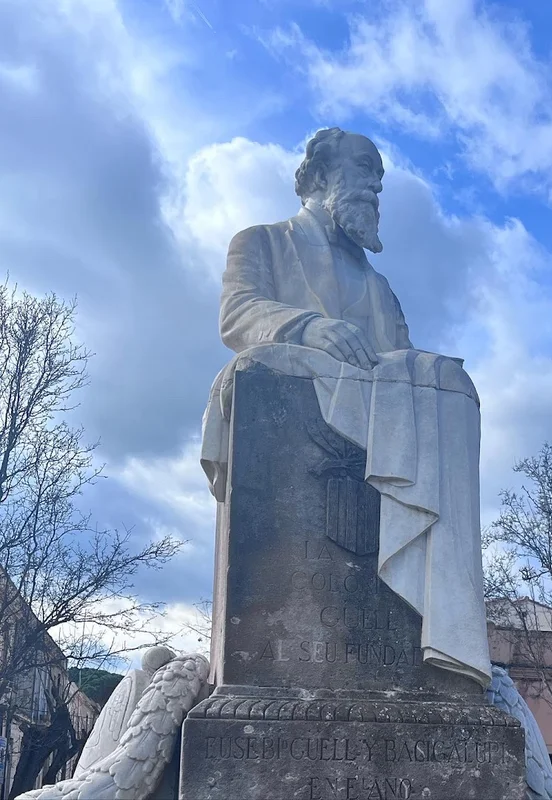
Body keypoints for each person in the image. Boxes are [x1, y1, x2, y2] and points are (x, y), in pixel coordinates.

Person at [201, 127, 491, 688]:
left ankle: (448, 639)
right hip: (296, 376)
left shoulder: (380, 287)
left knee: (450, 383)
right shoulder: (262, 241)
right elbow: (237, 314)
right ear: (320, 174)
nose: (376, 185)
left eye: (380, 177)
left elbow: (398, 356)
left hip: (372, 397)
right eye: (364, 168)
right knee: (251, 373)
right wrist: (309, 326)